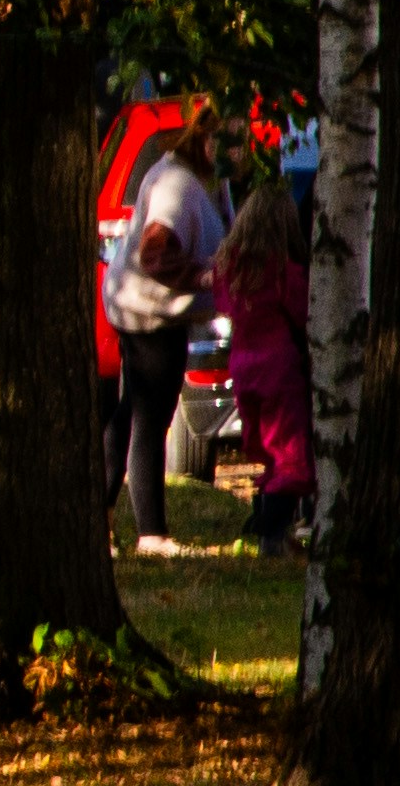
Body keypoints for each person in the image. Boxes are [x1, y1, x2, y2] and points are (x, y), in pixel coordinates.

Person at [106, 120, 231, 556]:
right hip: (150, 314)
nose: (239, 150)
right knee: (148, 418)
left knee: (130, 413)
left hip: (147, 309)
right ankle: (151, 535)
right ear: (205, 139)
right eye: (230, 140)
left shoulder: (200, 178)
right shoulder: (176, 185)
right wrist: (202, 276)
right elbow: (155, 252)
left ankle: (99, 518)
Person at [211, 180, 313, 555]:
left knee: (265, 452)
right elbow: (305, 314)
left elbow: (222, 304)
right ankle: (272, 533)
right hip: (280, 370)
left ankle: (271, 527)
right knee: (289, 454)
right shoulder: (286, 273)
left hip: (244, 367)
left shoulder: (232, 269)